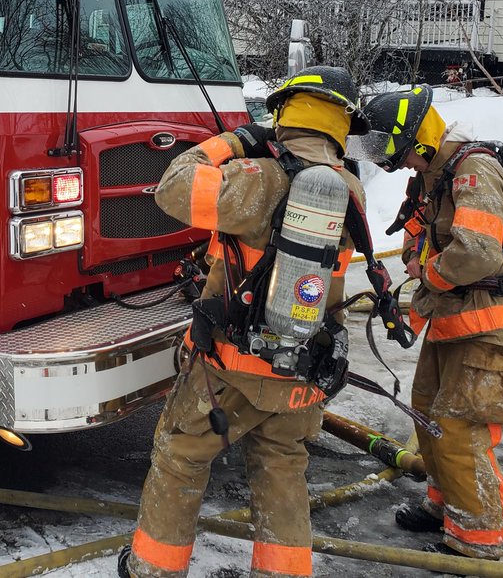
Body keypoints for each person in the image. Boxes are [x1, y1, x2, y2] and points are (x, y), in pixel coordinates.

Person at [119, 67, 369, 578]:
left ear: (284, 116)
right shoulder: (347, 191)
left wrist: (232, 142)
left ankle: (154, 568)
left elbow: (172, 186)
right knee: (283, 466)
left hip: (234, 367)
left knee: (181, 454)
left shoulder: (259, 180)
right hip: (305, 365)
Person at [351, 86, 503, 562]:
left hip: (483, 323)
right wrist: (413, 255)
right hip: (449, 319)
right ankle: (445, 505)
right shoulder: (433, 176)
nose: (397, 163)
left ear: (418, 140)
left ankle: (481, 545)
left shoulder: (473, 173)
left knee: (460, 427)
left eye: (397, 151)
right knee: (427, 412)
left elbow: (477, 251)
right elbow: (419, 231)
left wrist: (425, 272)